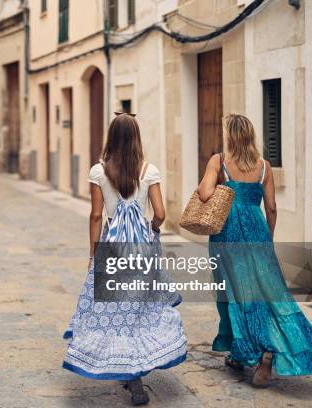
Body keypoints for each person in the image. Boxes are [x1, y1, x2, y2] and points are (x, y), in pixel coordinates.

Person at [63, 113, 187, 406]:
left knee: (114, 310)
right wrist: (152, 229)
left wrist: (94, 254)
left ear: (111, 138)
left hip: (112, 248)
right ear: (137, 138)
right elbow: (160, 213)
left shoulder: (99, 171)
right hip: (142, 250)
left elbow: (96, 216)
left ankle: (123, 368)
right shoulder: (149, 171)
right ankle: (138, 372)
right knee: (141, 310)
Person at [197, 113, 312, 386]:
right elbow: (271, 207)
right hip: (258, 232)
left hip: (227, 234)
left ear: (230, 136)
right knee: (268, 292)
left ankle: (253, 350)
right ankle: (253, 351)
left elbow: (204, 194)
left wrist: (221, 184)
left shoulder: (219, 161)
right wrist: (268, 237)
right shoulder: (265, 167)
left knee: (232, 292)